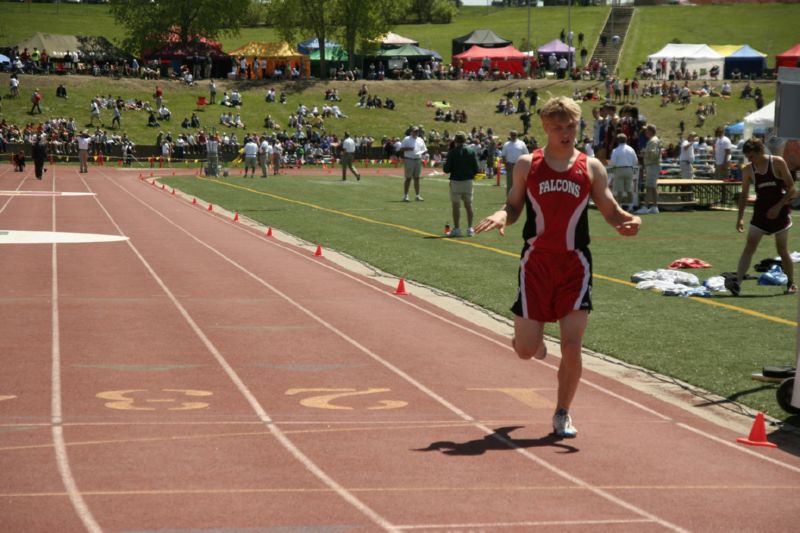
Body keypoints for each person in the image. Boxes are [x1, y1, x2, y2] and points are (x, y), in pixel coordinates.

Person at [474, 96, 641, 438]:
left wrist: (628, 220)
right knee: (524, 351)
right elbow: (514, 206)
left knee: (573, 344)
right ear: (545, 128)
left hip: (574, 264)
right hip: (535, 263)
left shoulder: (591, 167)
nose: (565, 133)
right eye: (558, 127)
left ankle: (562, 411)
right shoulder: (526, 164)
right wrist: (501, 214)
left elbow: (610, 211)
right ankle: (535, 344)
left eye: (571, 126)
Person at [728, 138, 796, 296]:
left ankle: (791, 283)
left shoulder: (777, 162)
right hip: (761, 212)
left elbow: (792, 189)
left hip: (780, 212)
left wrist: (778, 207)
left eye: (751, 156)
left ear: (761, 152)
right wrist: (740, 218)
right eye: (747, 157)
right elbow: (744, 195)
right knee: (749, 246)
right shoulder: (748, 170)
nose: (750, 160)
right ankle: (737, 282)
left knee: (782, 250)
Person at [443, 131, 479, 238]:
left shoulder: (452, 152)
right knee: (468, 205)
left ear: (455, 140)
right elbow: (476, 169)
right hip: (468, 181)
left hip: (456, 181)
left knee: (456, 205)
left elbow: (446, 169)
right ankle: (470, 228)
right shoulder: (471, 151)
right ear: (465, 140)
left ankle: (457, 228)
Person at [609, 133, 638, 211]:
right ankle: (631, 206)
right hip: (629, 169)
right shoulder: (631, 149)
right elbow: (635, 161)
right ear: (626, 140)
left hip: (619, 169)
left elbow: (613, 163)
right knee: (629, 189)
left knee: (619, 190)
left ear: (618, 141)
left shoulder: (615, 150)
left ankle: (620, 207)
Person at [638, 125, 662, 214]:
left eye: (647, 131)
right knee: (652, 187)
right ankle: (655, 206)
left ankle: (645, 206)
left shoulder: (653, 141)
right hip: (652, 165)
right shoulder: (654, 140)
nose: (645, 132)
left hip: (652, 165)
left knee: (649, 187)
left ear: (651, 131)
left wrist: (645, 152)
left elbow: (654, 153)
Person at [400, 126, 428, 201]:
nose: (416, 132)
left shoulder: (420, 139)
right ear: (411, 132)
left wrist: (423, 153)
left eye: (417, 131)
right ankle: (406, 195)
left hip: (418, 160)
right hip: (409, 159)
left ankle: (417, 195)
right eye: (415, 131)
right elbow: (401, 148)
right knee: (408, 178)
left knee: (417, 178)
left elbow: (424, 149)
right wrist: (409, 148)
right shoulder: (406, 139)